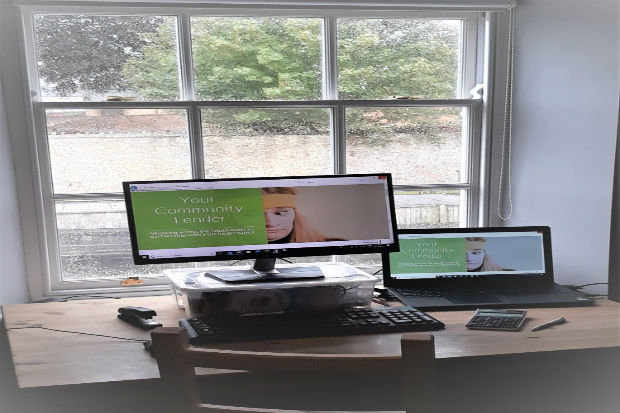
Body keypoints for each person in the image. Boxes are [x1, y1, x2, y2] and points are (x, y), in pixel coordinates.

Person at [261, 187, 343, 243]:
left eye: (280, 213)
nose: (270, 223)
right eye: (259, 214)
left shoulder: (336, 244)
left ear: (294, 215)